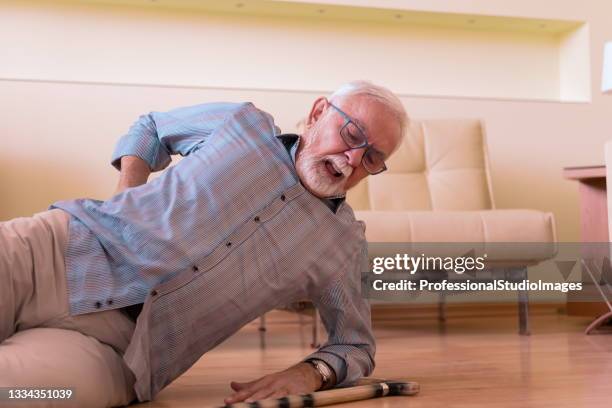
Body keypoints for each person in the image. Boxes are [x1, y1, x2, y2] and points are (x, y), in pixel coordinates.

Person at [0, 80, 408, 407]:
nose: (353, 159)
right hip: (53, 253)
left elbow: (355, 344)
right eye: (352, 134)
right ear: (319, 113)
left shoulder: (342, 244)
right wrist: (127, 193)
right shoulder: (242, 124)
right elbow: (152, 127)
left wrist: (309, 373)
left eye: (372, 158)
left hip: (119, 353)